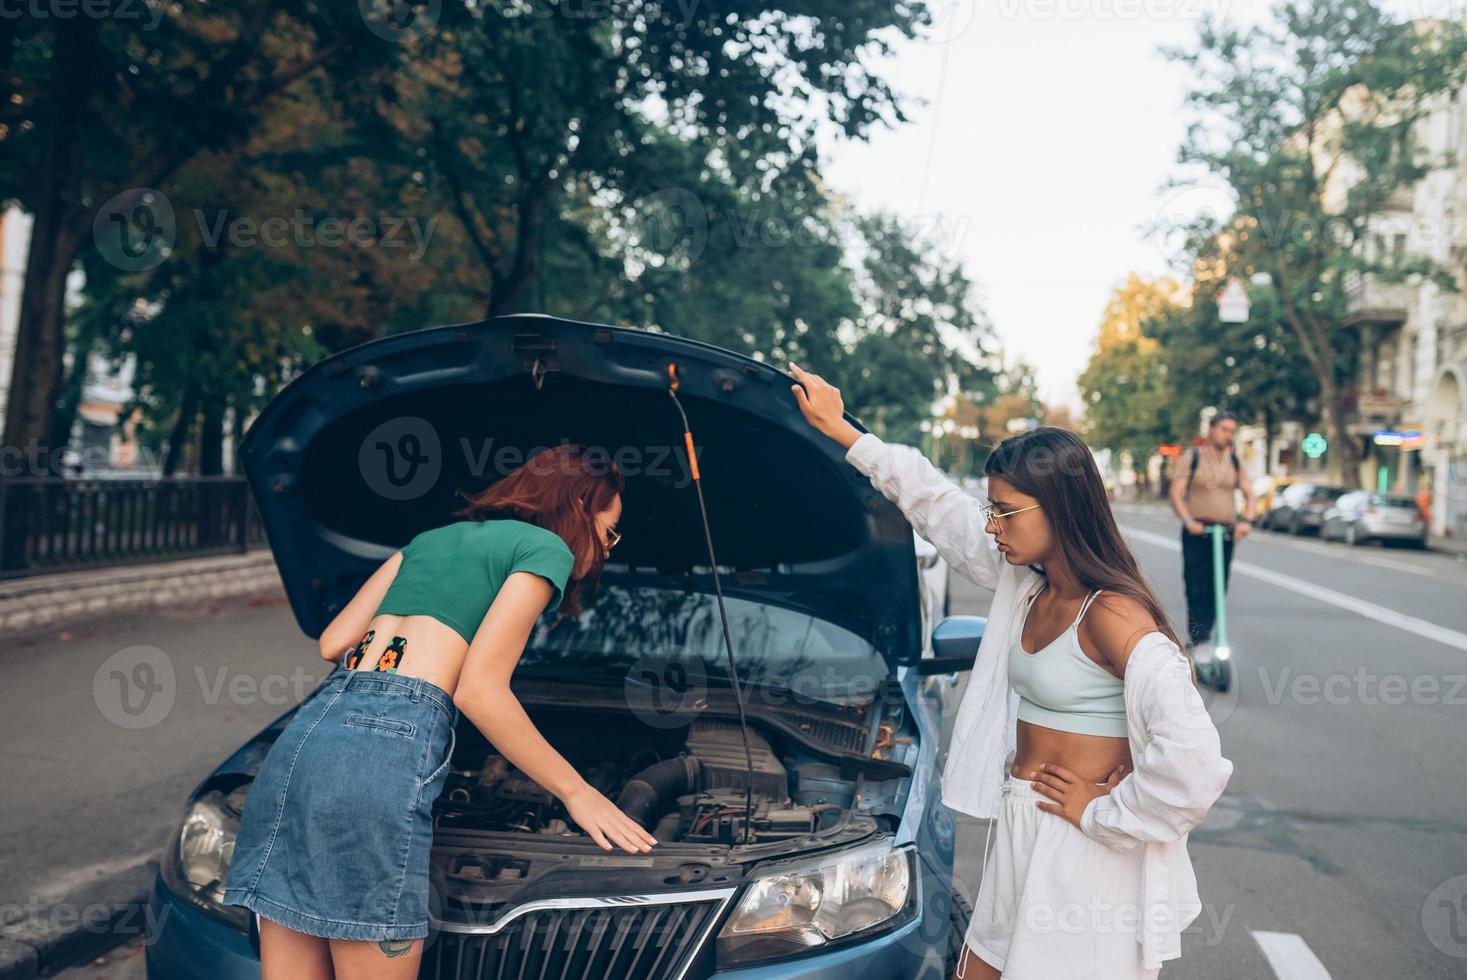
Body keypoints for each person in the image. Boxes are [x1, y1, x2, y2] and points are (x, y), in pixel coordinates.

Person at [787, 364, 1233, 980]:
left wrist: (1106, 811)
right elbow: (938, 505)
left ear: (1060, 510)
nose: (991, 526)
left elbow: (1195, 763)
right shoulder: (1025, 582)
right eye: (991, 511)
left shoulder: (1115, 616)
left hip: (1083, 849)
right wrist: (844, 433)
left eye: (1005, 512)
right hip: (1020, 826)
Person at [220, 443, 657, 980]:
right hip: (382, 747)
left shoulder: (427, 541)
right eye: (610, 532)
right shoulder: (546, 548)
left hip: (311, 734)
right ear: (582, 507)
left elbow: (334, 643)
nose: (608, 549)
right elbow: (480, 691)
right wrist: (577, 793)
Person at [1167, 411, 1256, 650]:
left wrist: (1246, 521)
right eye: (1224, 429)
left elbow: (1249, 493)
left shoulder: (1235, 461)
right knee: (1197, 587)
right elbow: (1177, 492)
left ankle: (1205, 637)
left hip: (1225, 533)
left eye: (1232, 431)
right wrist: (1188, 520)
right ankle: (1198, 640)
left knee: (1218, 588)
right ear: (1211, 430)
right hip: (1198, 531)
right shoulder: (1193, 457)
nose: (1228, 435)